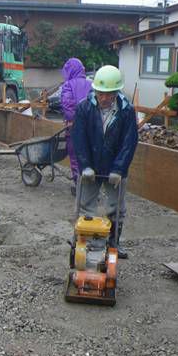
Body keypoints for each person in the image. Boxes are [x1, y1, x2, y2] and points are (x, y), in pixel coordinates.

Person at [71, 65, 138, 258]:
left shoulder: (126, 111)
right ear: (95, 91)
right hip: (91, 164)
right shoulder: (84, 108)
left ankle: (113, 243)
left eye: (109, 94)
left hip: (114, 166)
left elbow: (129, 142)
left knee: (116, 208)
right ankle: (87, 241)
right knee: (85, 204)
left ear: (117, 92)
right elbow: (79, 138)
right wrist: (85, 165)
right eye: (101, 94)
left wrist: (119, 169)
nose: (104, 98)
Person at [60, 57, 92, 193]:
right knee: (90, 154)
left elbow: (67, 105)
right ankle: (90, 185)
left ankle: (79, 185)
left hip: (74, 127)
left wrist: (74, 119)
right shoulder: (91, 84)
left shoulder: (68, 85)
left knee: (75, 156)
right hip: (91, 127)